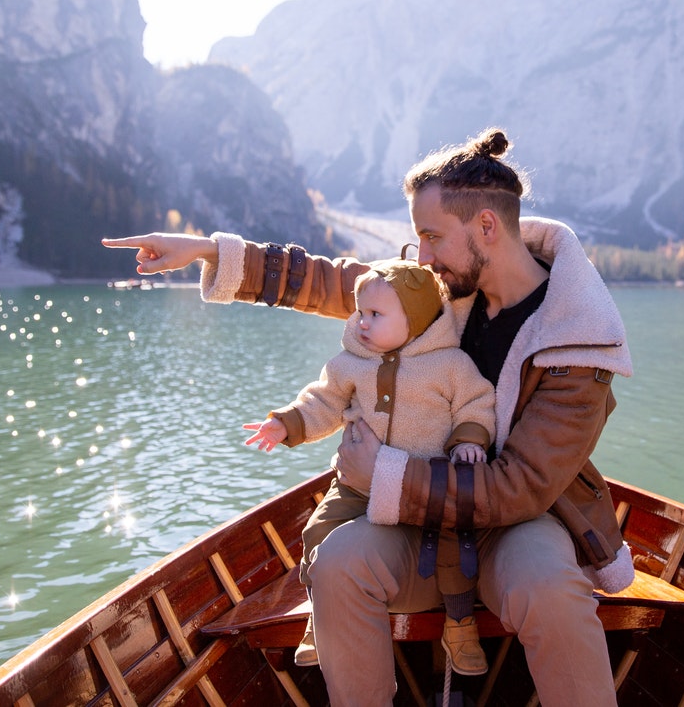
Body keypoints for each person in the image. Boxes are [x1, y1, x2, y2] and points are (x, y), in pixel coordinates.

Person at [103, 127, 634, 707]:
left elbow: (523, 488)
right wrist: (208, 250)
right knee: (337, 563)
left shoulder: (577, 340)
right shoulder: (442, 286)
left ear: (486, 226)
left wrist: (383, 473)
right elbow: (337, 281)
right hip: (417, 528)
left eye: (431, 237)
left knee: (551, 588)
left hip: (518, 524)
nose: (421, 256)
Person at [242, 258, 496, 675]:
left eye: (376, 315)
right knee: (318, 530)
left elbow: (477, 402)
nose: (362, 322)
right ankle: (320, 615)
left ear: (414, 319)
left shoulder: (450, 364)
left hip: (425, 485)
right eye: (361, 312)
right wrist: (285, 423)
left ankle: (460, 622)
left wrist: (469, 438)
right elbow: (322, 401)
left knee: (455, 546)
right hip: (358, 486)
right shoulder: (351, 362)